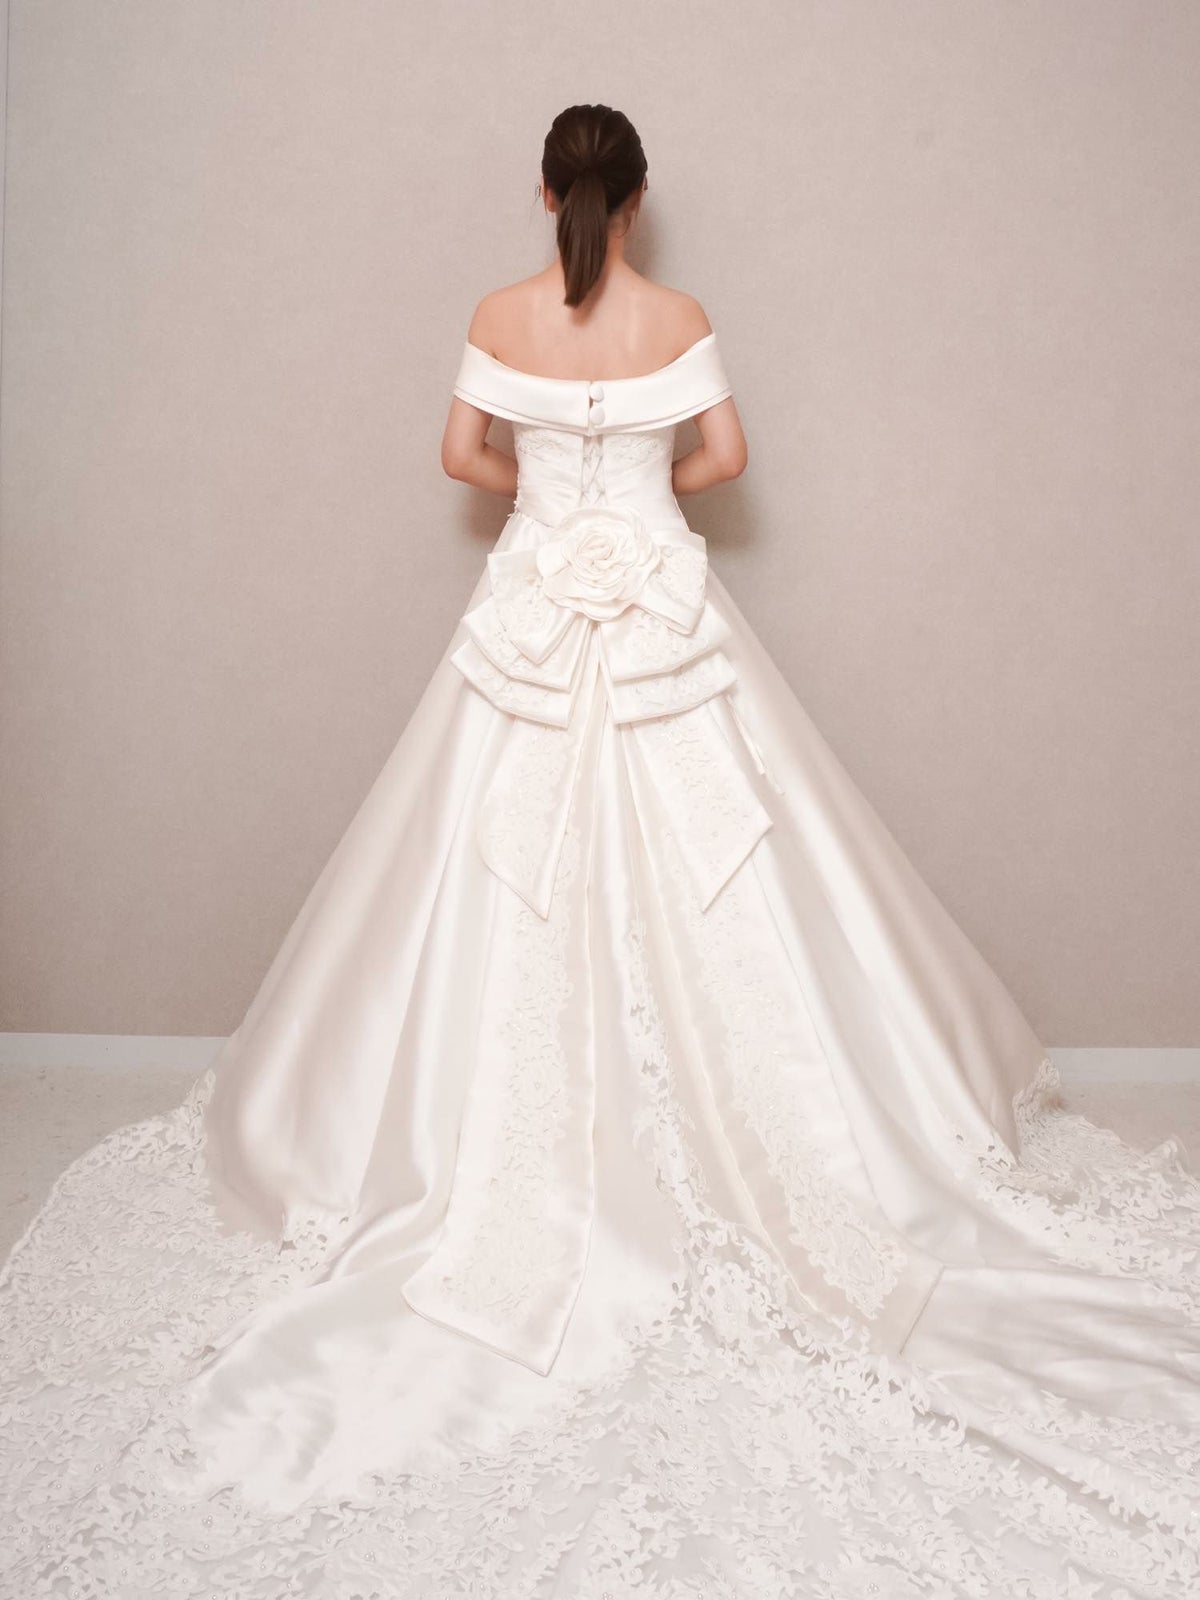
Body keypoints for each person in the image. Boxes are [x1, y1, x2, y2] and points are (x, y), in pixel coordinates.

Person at [2, 101, 1198, 1600]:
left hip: (529, 618)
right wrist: (632, 508)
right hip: (658, 626)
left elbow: (460, 454)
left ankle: (486, 1179)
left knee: (485, 868)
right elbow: (724, 457)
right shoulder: (678, 315)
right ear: (635, 199)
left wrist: (553, 512)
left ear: (545, 191)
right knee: (732, 861)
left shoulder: (499, 311)